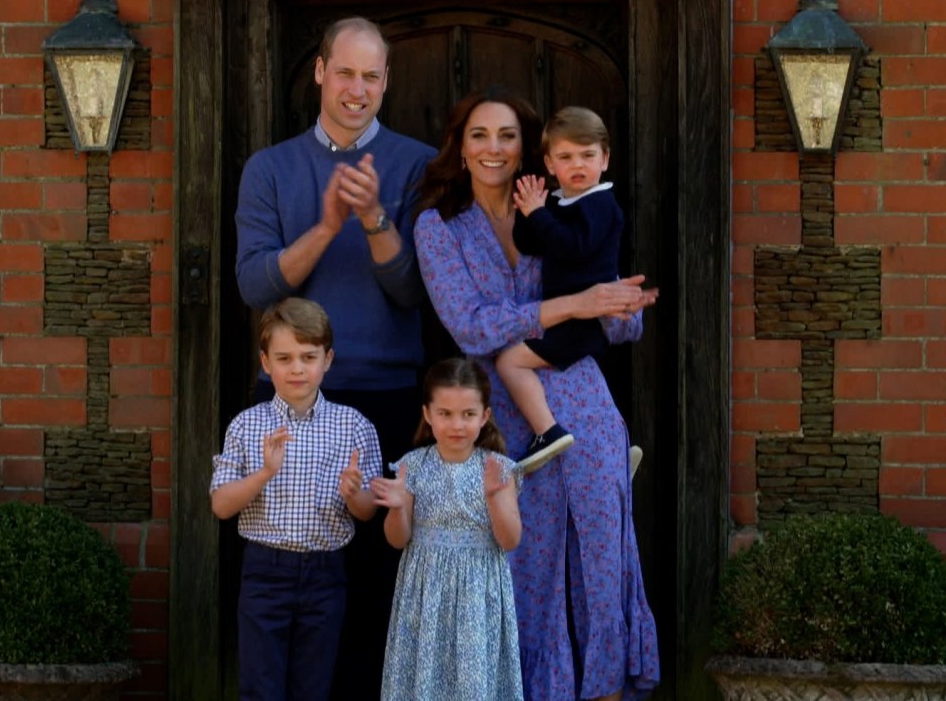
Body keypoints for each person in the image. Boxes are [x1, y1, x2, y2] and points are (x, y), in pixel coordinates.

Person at [413, 85, 660, 701]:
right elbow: (470, 325)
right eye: (479, 135)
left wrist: (621, 306)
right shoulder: (438, 226)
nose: (493, 148)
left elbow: (617, 318)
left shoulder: (563, 205)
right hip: (502, 417)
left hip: (584, 403)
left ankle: (606, 689)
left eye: (507, 136)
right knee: (524, 571)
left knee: (603, 565)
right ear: (460, 149)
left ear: (530, 151)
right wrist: (574, 304)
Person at [233, 16, 435, 698]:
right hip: (292, 398)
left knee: (377, 580)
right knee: (288, 576)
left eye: (371, 76)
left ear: (386, 82)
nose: (357, 89)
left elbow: (414, 292)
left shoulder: (418, 164)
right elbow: (255, 285)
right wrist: (325, 226)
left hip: (386, 396)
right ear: (319, 71)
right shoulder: (271, 168)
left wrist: (375, 218)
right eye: (344, 72)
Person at [209, 297, 381, 701]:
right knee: (260, 687)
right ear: (266, 363)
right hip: (265, 571)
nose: (297, 369)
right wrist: (265, 472)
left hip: (325, 573)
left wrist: (355, 494)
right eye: (284, 358)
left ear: (328, 359)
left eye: (308, 356)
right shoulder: (247, 425)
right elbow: (220, 505)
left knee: (313, 687)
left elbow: (368, 511)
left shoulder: (353, 426)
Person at [371, 357, 524, 701]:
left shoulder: (499, 469)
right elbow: (398, 540)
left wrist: (496, 498)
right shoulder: (412, 466)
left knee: (473, 681)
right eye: (445, 413)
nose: (457, 424)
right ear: (427, 414)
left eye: (468, 414)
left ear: (484, 416)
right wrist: (397, 508)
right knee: (425, 678)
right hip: (425, 593)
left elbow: (510, 539)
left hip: (478, 594)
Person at [497, 106, 625, 473]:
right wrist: (528, 210)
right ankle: (608, 452)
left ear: (605, 159)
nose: (578, 165)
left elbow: (573, 247)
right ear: (550, 165)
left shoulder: (600, 203)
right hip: (564, 317)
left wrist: (540, 214)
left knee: (510, 361)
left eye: (588, 155)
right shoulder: (560, 202)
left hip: (581, 322)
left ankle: (547, 432)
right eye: (566, 157)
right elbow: (530, 243)